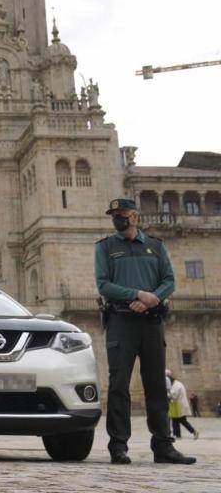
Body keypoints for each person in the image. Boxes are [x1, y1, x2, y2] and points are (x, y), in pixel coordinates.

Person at [95, 198, 195, 464]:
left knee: (156, 386)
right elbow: (103, 285)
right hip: (121, 321)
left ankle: (163, 446)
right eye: (114, 214)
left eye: (122, 213)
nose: (118, 218)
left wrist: (153, 299)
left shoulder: (155, 246)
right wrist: (137, 294)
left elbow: (169, 280)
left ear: (135, 216)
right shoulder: (105, 247)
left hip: (152, 321)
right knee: (119, 385)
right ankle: (118, 446)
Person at [166, 370, 199, 439]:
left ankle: (194, 432)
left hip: (179, 406)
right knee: (175, 420)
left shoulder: (176, 385)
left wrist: (166, 394)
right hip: (176, 406)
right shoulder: (176, 384)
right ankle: (177, 435)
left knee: (182, 420)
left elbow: (173, 395)